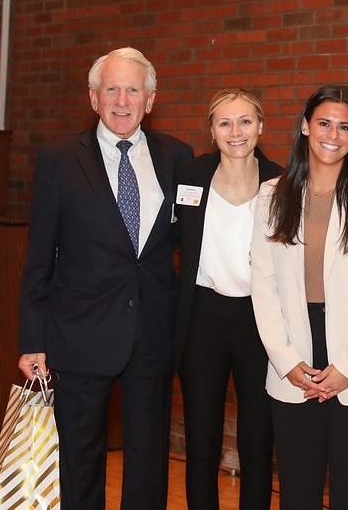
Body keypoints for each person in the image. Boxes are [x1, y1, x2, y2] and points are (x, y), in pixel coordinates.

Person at [17, 47, 194, 509]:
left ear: (150, 99)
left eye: (132, 89)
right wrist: (32, 340)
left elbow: (190, 243)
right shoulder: (58, 160)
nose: (121, 100)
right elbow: (39, 259)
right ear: (93, 98)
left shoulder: (178, 157)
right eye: (110, 89)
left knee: (148, 463)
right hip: (79, 333)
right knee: (81, 460)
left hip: (152, 334)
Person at [250, 85, 348, 510]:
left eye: (344, 127)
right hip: (293, 362)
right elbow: (263, 285)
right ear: (305, 127)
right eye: (323, 123)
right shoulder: (271, 196)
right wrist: (286, 359)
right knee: (298, 492)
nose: (332, 134)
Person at [174, 88, 280, 509]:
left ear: (261, 127)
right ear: (212, 132)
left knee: (258, 443)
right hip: (202, 318)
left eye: (245, 121)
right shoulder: (188, 175)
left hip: (261, 323)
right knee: (202, 443)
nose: (236, 131)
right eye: (225, 123)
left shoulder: (282, 182)